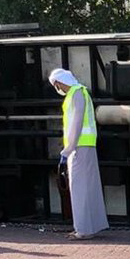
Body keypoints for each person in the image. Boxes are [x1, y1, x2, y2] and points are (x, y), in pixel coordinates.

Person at [49, 68, 109, 240]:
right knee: (88, 187)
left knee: (79, 188)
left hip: (79, 147)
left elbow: (75, 123)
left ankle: (83, 230)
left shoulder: (75, 93)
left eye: (56, 84)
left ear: (60, 82)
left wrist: (68, 148)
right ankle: (90, 227)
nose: (57, 87)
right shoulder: (80, 92)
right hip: (85, 145)